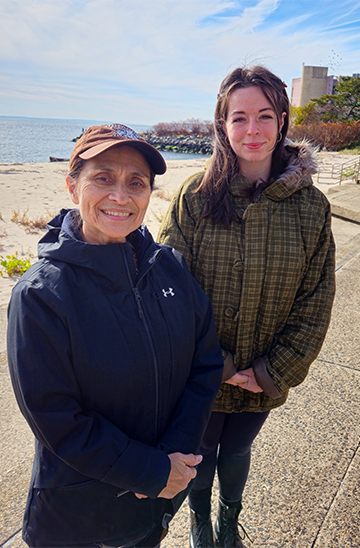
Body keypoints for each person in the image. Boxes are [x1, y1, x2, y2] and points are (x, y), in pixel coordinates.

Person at [7, 124, 224, 548]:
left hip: (155, 503)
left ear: (149, 194)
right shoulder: (41, 295)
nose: (120, 196)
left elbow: (205, 363)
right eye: (103, 178)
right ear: (73, 187)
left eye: (136, 183)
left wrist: (172, 459)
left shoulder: (170, 268)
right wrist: (150, 471)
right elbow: (56, 418)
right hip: (81, 516)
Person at [158, 66, 336, 548]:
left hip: (264, 374)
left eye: (263, 116)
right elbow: (167, 287)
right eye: (239, 118)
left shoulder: (311, 207)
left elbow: (316, 299)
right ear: (223, 125)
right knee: (200, 452)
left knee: (238, 449)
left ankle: (227, 519)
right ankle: (199, 521)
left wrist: (273, 369)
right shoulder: (195, 197)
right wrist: (214, 362)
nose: (252, 130)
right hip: (200, 373)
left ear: (282, 121)